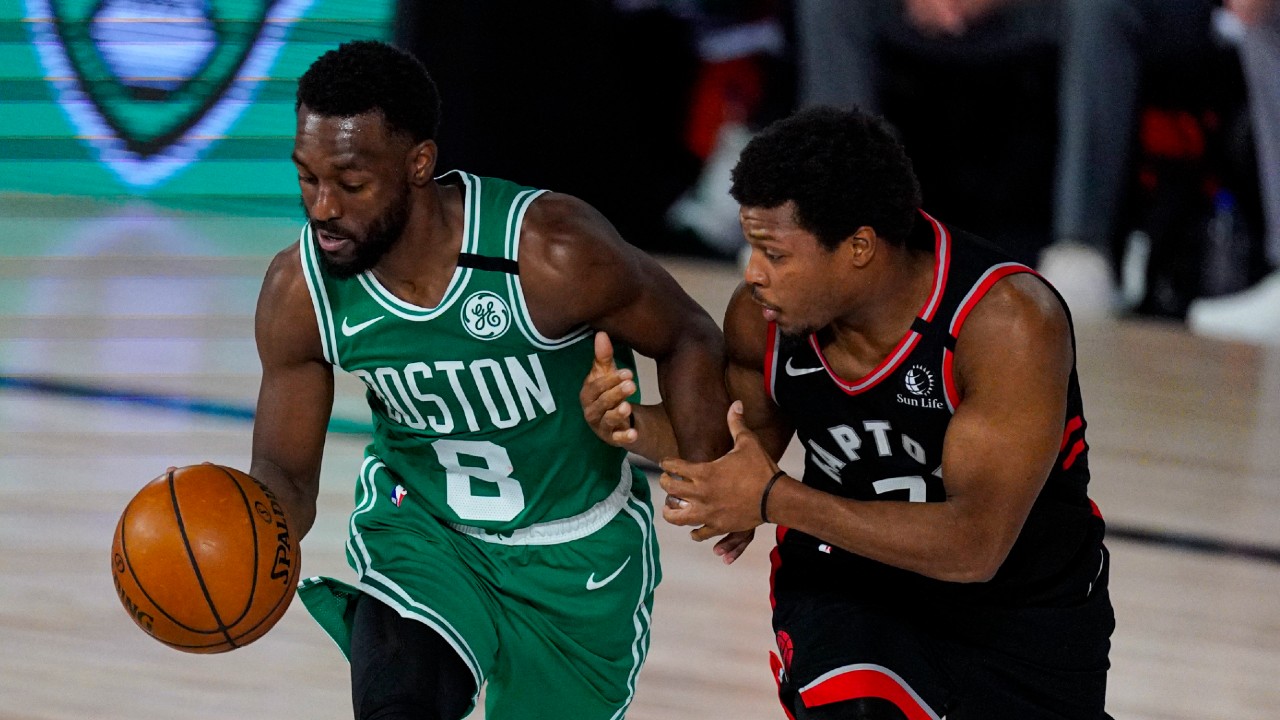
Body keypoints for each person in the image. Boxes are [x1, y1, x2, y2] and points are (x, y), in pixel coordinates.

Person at [249, 40, 729, 720]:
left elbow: (688, 333)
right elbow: (285, 475)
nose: (322, 207)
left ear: (419, 163)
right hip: (425, 534)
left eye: (350, 184)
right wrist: (245, 533)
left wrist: (709, 471)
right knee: (399, 705)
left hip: (577, 555)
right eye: (307, 178)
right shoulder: (302, 289)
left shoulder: (549, 252)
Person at [582, 106, 1114, 718]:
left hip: (1023, 606)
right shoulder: (764, 320)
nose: (752, 275)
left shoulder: (1007, 324)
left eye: (774, 254)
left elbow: (976, 545)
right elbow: (736, 455)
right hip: (850, 589)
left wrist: (776, 499)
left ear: (859, 246)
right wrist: (627, 424)